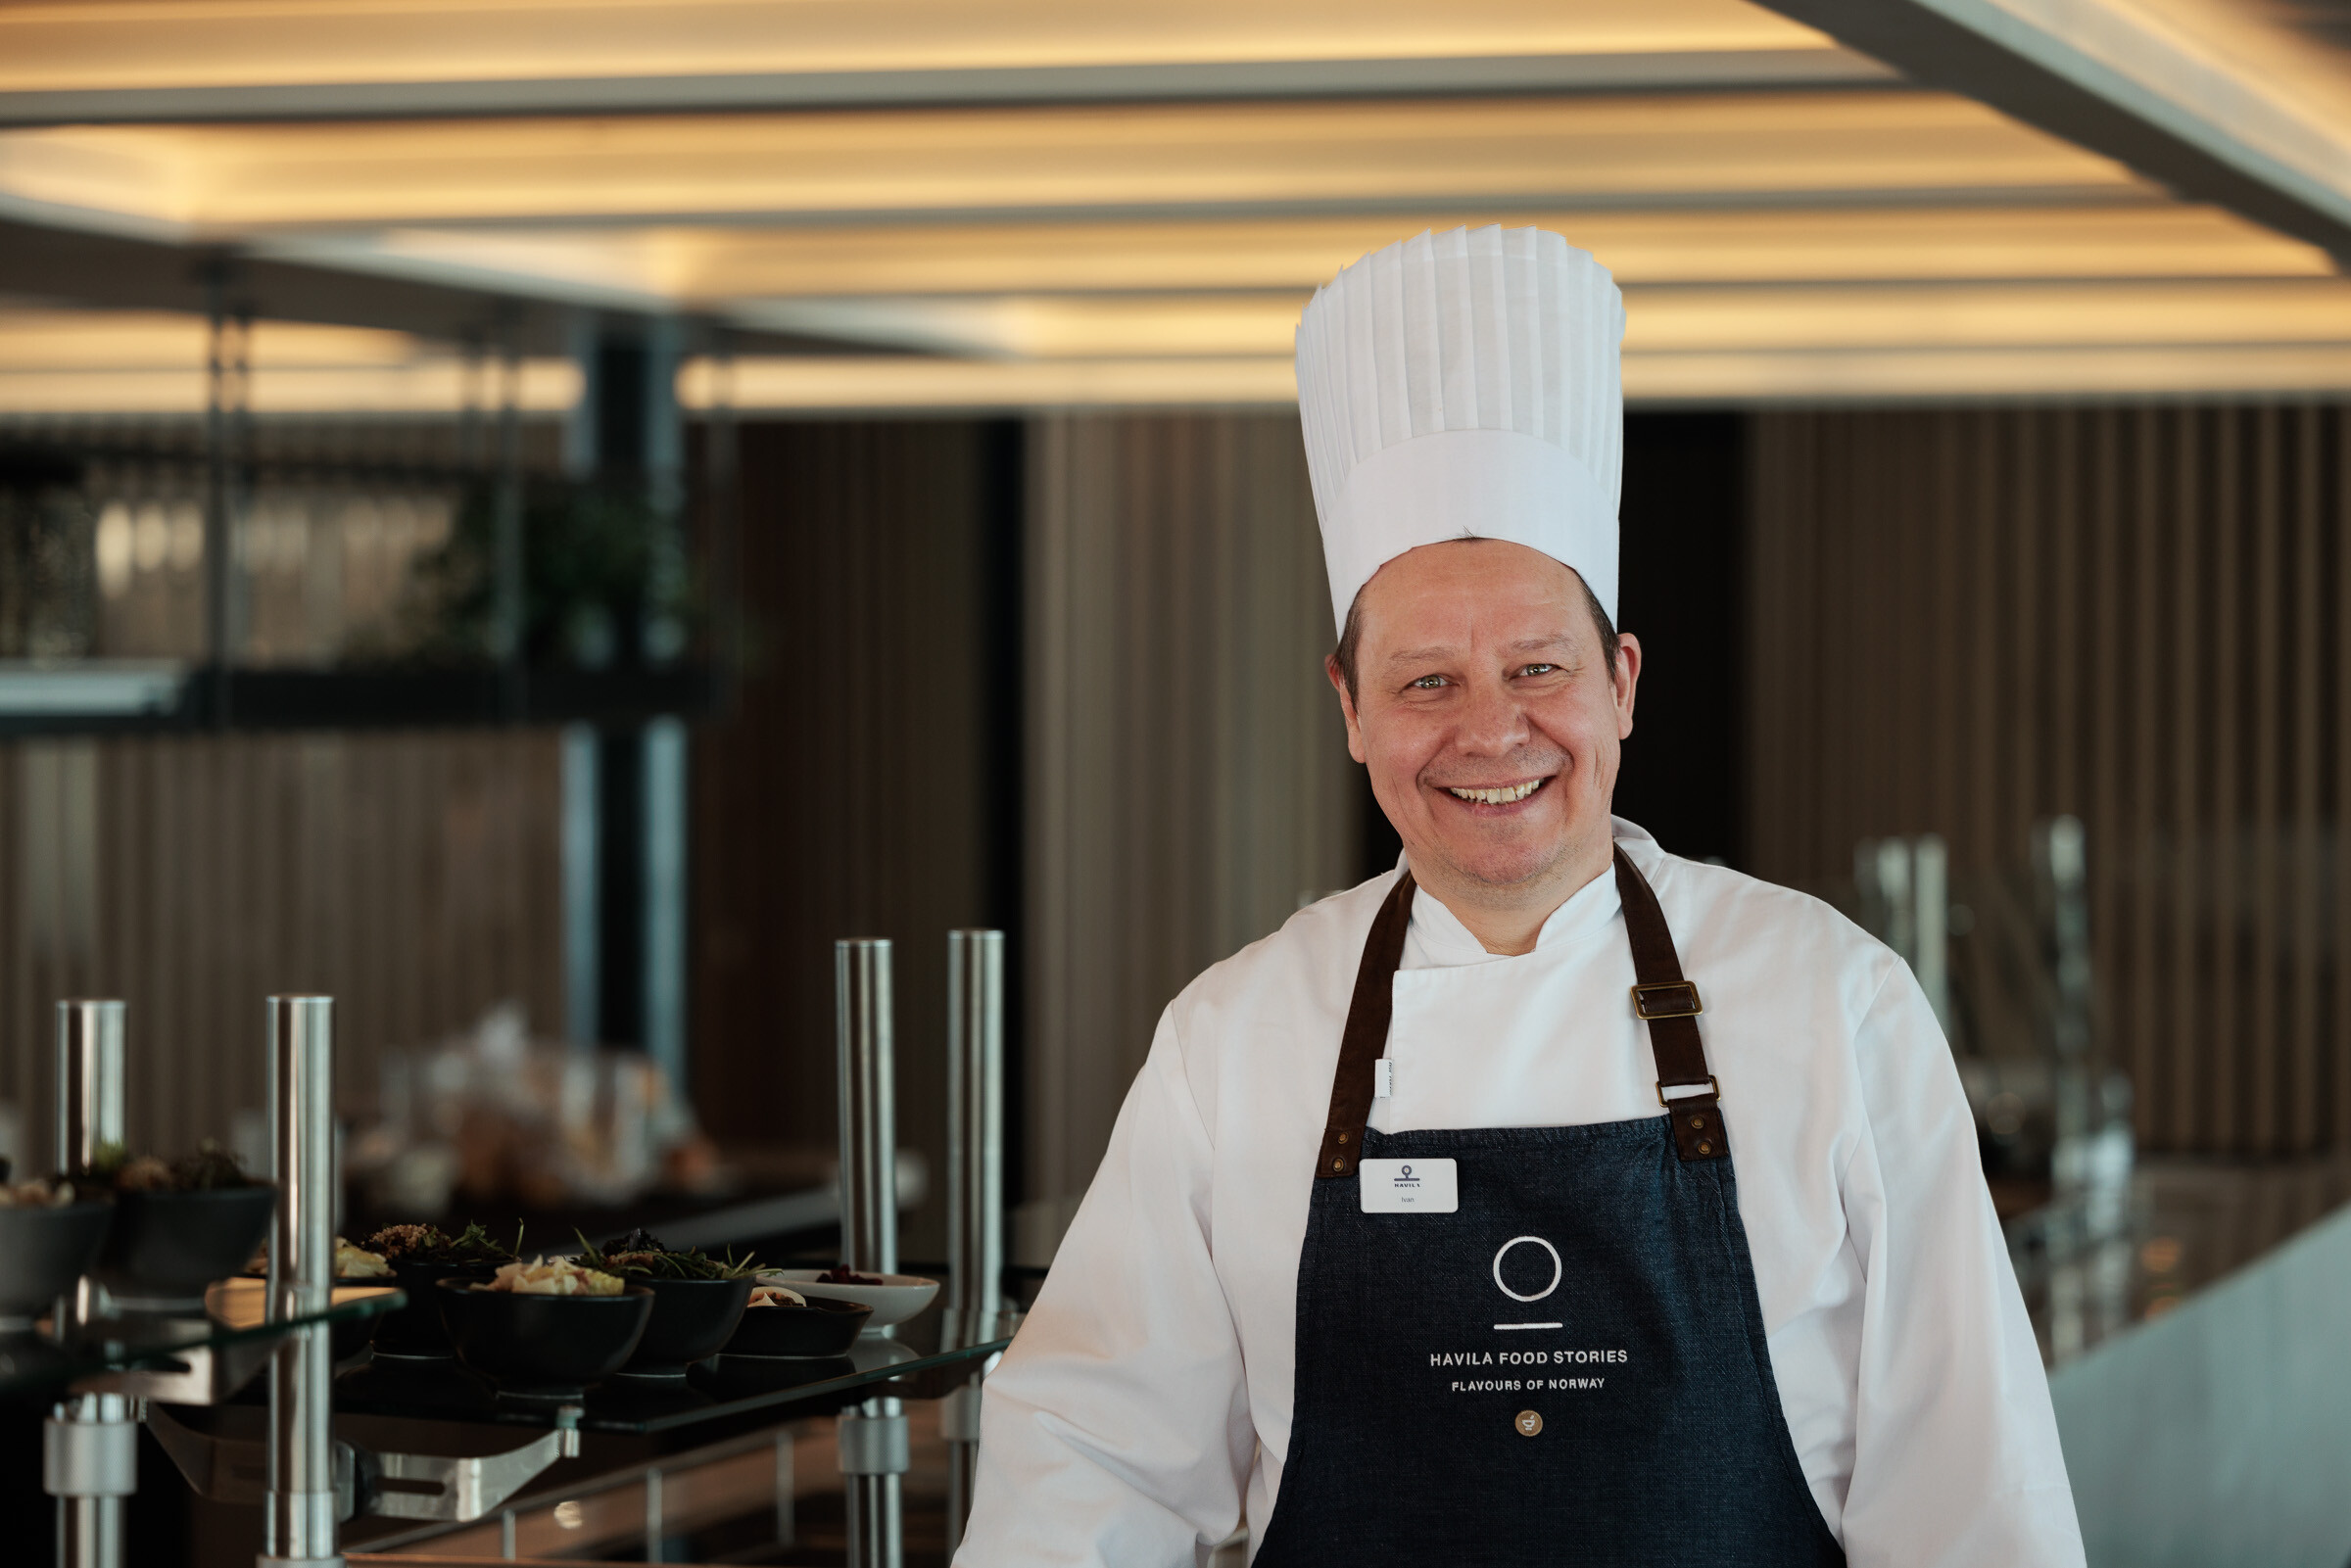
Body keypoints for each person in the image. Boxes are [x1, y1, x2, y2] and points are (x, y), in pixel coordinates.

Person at [956, 226, 2083, 1566]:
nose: (1491, 733)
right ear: (1350, 708)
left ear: (1623, 682)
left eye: (1538, 669)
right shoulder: (1235, 1040)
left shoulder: (1836, 1006)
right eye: (1428, 679)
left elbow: (1975, 1503)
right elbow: (1088, 1464)